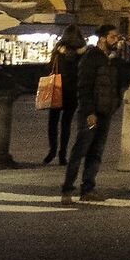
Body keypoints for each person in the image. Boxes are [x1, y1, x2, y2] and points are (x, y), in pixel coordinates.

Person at [58, 24, 123, 204]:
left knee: (96, 152)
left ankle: (88, 188)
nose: (116, 40)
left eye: (116, 37)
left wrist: (115, 103)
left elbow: (116, 85)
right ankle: (67, 189)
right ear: (102, 38)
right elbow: (84, 87)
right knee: (80, 150)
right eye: (112, 37)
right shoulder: (91, 58)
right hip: (91, 113)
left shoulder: (111, 60)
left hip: (105, 112)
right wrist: (89, 112)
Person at [43, 27, 84, 164]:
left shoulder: (58, 50)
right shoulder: (82, 52)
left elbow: (49, 68)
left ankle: (52, 150)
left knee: (53, 122)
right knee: (66, 123)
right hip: (72, 92)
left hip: (57, 89)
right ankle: (63, 154)